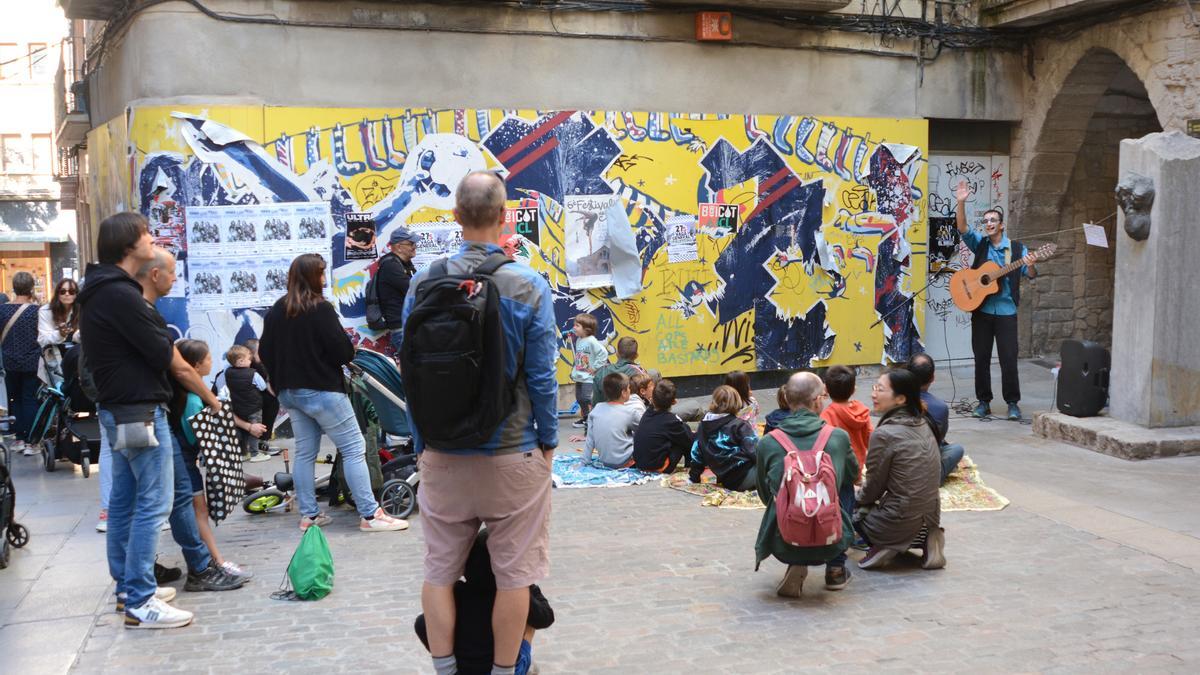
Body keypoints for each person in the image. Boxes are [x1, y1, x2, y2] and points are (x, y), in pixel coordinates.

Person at [403, 171, 557, 675]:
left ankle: (445, 669)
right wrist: (549, 443)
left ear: (455, 217)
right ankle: (503, 670)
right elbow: (541, 378)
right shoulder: (528, 284)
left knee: (440, 572)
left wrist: (424, 444)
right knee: (514, 575)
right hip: (512, 453)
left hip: (443, 454)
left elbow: (413, 375)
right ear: (504, 215)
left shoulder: (424, 282)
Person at [80, 214, 224, 629]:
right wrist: (211, 400)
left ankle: (129, 588)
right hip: (140, 410)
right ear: (129, 246)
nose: (151, 238)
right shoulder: (121, 296)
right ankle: (141, 599)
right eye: (145, 234)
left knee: (125, 502)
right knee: (153, 503)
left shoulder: (102, 291)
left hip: (121, 410)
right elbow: (169, 359)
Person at [258, 253, 408, 534]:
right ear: (312, 278)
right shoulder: (320, 308)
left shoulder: (278, 309)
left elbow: (265, 351)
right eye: (322, 274)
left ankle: (310, 516)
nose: (325, 279)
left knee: (304, 452)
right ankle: (370, 514)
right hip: (323, 390)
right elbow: (342, 351)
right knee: (354, 448)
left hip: (290, 392)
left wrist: (277, 380)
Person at [135, 247, 249, 592]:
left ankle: (201, 561)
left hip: (160, 435)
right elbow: (194, 427)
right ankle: (205, 563)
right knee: (181, 503)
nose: (174, 278)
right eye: (171, 272)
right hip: (173, 448)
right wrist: (214, 406)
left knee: (164, 504)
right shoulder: (190, 400)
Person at [755, 372, 858, 596]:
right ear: (817, 400)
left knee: (781, 492)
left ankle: (797, 560)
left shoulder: (768, 443)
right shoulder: (838, 437)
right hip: (831, 539)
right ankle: (836, 569)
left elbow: (764, 493)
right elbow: (854, 473)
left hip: (784, 538)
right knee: (846, 486)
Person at [414, 529, 555, 675]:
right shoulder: (513, 597)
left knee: (442, 621)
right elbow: (545, 618)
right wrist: (524, 584)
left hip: (462, 669)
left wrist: (447, 651)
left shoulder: (456, 594)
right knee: (525, 614)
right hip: (506, 666)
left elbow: (421, 624)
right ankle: (523, 666)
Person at [955, 179, 1037, 421]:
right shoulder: (980, 244)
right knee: (981, 358)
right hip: (981, 310)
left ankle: (1012, 403)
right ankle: (984, 402)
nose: (988, 224)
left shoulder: (1017, 250)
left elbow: (1029, 275)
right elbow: (962, 227)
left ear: (1001, 226)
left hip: (1006, 312)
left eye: (993, 221)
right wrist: (961, 202)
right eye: (986, 221)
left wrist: (1031, 265)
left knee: (1008, 359)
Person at [170, 338, 253, 579]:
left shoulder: (184, 393)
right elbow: (193, 436)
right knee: (199, 513)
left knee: (198, 512)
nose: (212, 362)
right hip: (186, 462)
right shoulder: (194, 399)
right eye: (208, 359)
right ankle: (214, 560)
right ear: (195, 366)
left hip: (186, 461)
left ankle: (212, 559)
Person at [856, 369, 945, 571]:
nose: (873, 394)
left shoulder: (885, 433)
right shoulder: (925, 422)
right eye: (874, 388)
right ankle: (927, 541)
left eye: (880, 389)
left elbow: (874, 487)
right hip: (931, 518)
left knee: (848, 503)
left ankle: (884, 545)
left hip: (896, 522)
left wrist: (856, 496)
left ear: (901, 399)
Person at [906, 353, 966, 485]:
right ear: (933, 378)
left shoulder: (895, 400)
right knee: (956, 449)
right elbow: (939, 437)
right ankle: (935, 476)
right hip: (923, 468)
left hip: (900, 466)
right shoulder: (940, 407)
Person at [0, 272, 42, 456]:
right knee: (30, 399)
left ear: (14, 287)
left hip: (9, 361)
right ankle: (31, 442)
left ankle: (18, 438)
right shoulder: (36, 311)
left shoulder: (2, 310)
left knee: (14, 399)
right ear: (31, 288)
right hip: (31, 361)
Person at [688, 385, 759, 491]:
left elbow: (696, 454)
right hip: (746, 475)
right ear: (736, 403)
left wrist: (693, 477)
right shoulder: (739, 425)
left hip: (727, 481)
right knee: (781, 464)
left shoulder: (703, 426)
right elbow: (756, 452)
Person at [819, 365, 873, 484]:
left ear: (826, 389)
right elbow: (871, 440)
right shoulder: (862, 411)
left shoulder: (825, 416)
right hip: (857, 470)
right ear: (854, 389)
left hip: (835, 474)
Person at [631, 378, 693, 473]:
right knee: (684, 438)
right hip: (658, 468)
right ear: (674, 402)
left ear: (652, 398)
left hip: (640, 464)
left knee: (682, 429)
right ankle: (690, 466)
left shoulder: (647, 413)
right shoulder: (671, 421)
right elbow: (688, 440)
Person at [223, 345, 270, 463]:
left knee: (242, 430)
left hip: (237, 407)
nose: (251, 361)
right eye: (249, 359)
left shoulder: (227, 373)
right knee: (256, 429)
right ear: (240, 361)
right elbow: (263, 386)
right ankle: (255, 454)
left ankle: (243, 453)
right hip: (253, 407)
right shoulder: (252, 374)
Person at [582, 372, 639, 468]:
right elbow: (646, 431)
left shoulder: (596, 409)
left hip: (605, 462)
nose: (630, 391)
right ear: (623, 393)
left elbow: (590, 440)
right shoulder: (630, 412)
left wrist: (584, 463)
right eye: (629, 388)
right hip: (626, 462)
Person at [37, 277, 80, 387]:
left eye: (71, 291)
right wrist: (60, 334)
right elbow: (42, 339)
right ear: (58, 293)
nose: (67, 294)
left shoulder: (82, 310)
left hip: (77, 360)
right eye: (63, 291)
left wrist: (78, 335)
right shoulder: (46, 311)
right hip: (53, 361)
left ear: (76, 294)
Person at [568, 312, 608, 429]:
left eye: (577, 326)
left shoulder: (591, 341)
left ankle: (596, 415)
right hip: (579, 376)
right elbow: (579, 358)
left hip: (588, 378)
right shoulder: (579, 340)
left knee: (586, 397)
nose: (574, 327)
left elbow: (603, 353)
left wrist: (595, 367)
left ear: (586, 329)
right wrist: (574, 371)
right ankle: (586, 418)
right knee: (579, 398)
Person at [376, 227, 419, 333]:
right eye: (411, 243)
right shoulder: (391, 265)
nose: (415, 246)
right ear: (399, 247)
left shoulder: (405, 263)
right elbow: (413, 289)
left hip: (408, 323)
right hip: (401, 326)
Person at [243, 338, 279, 455]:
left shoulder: (256, 363)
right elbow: (265, 383)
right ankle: (261, 441)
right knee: (270, 400)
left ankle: (262, 440)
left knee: (271, 400)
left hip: (251, 400)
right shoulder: (248, 365)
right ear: (251, 353)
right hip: (246, 402)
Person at [591, 337, 646, 404]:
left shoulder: (601, 372)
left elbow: (596, 403)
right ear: (636, 356)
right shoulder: (640, 374)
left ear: (617, 353)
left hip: (603, 413)